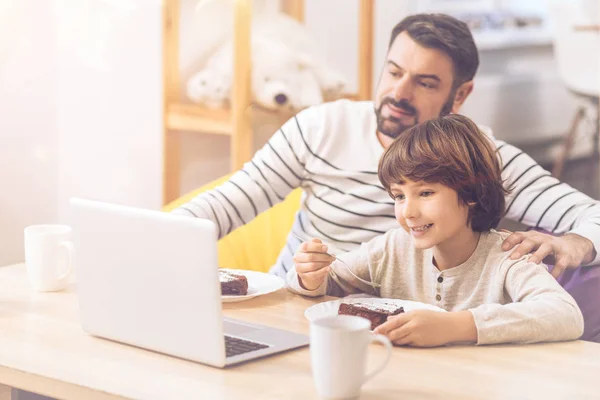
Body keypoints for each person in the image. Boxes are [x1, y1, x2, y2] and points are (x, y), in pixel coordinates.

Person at [172, 14, 599, 281]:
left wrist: (579, 242)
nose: (399, 92)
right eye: (393, 72)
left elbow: (591, 215)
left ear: (461, 94)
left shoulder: (484, 157)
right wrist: (152, 239)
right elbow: (224, 205)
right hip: (297, 308)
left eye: (425, 82)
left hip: (410, 331)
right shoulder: (321, 128)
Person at [287, 114, 584, 346]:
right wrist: (309, 276)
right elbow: (329, 280)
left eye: (426, 193)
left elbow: (565, 315)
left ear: (470, 193)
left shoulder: (508, 257)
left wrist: (457, 326)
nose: (409, 211)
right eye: (399, 196)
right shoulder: (392, 250)